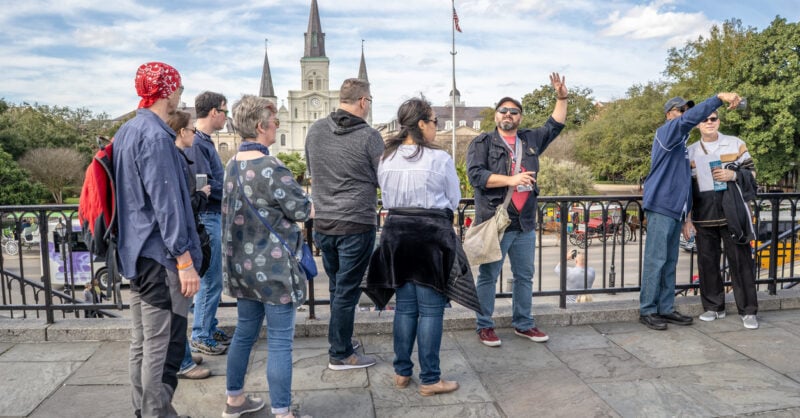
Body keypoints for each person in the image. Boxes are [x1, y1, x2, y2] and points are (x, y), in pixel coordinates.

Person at [114, 62, 201, 418]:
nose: (181, 95)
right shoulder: (156, 137)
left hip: (135, 253)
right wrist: (184, 260)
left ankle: (142, 410)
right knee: (162, 349)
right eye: (179, 89)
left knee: (142, 344)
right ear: (166, 91)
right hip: (160, 257)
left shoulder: (127, 131)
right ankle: (157, 413)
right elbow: (167, 205)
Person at [364, 98, 463, 396]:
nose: (437, 126)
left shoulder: (386, 157)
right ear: (421, 124)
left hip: (396, 233)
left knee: (405, 308)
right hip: (429, 235)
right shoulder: (439, 158)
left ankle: (402, 372)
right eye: (434, 121)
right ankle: (430, 378)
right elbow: (454, 199)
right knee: (431, 311)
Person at [221, 95, 312, 418]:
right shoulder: (271, 167)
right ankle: (282, 412)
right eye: (274, 123)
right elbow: (301, 209)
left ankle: (234, 401)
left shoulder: (231, 165)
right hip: (273, 269)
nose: (277, 127)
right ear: (261, 127)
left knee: (244, 333)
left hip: (241, 268)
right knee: (278, 342)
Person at [466, 73, 568, 347]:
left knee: (524, 276)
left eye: (514, 111)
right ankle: (484, 325)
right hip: (495, 221)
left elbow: (555, 124)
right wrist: (511, 180)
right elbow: (475, 176)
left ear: (520, 117)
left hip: (524, 223)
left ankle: (524, 323)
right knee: (488, 276)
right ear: (496, 115)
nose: (508, 115)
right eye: (503, 111)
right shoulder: (483, 143)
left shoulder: (530, 139)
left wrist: (561, 97)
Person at [639, 92, 743, 331]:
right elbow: (688, 120)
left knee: (669, 262)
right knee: (656, 261)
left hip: (675, 211)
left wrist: (687, 217)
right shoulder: (666, 133)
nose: (686, 114)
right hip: (661, 207)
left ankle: (665, 308)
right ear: (669, 115)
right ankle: (648, 310)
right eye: (681, 110)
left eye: (687, 110)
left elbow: (684, 182)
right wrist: (718, 97)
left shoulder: (682, 145)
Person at [305, 78, 383, 370]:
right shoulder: (369, 136)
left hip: (324, 223)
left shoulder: (315, 131)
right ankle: (340, 353)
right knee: (347, 291)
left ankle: (342, 340)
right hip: (355, 222)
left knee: (338, 287)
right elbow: (382, 178)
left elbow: (313, 170)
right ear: (363, 101)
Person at [684, 110, 759, 329]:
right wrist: (687, 219)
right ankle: (713, 307)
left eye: (713, 119)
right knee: (707, 263)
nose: (709, 122)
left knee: (741, 262)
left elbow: (752, 174)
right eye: (704, 119)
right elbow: (686, 188)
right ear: (698, 124)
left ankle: (748, 310)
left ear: (719, 121)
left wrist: (732, 175)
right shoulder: (690, 151)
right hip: (703, 214)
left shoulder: (735, 144)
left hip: (732, 212)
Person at [184, 91, 231, 356]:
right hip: (208, 215)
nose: (226, 117)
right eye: (225, 111)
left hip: (212, 215)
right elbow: (201, 184)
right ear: (214, 112)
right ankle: (201, 334)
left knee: (214, 278)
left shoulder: (204, 142)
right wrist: (230, 189)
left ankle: (209, 326)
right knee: (211, 279)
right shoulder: (199, 144)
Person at [167, 110, 212, 380]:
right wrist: (202, 195)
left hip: (184, 242)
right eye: (191, 129)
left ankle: (183, 353)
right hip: (181, 244)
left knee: (180, 308)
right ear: (182, 132)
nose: (195, 134)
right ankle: (182, 362)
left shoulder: (177, 157)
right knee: (177, 310)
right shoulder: (176, 159)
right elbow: (183, 207)